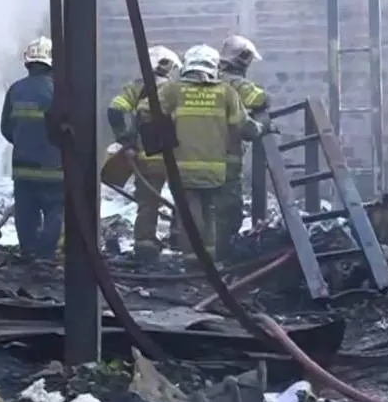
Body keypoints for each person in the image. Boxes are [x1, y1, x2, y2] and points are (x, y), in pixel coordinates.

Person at [155, 44, 258, 258]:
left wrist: (162, 134)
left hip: (182, 167)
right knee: (210, 212)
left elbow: (146, 112)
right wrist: (262, 127)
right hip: (216, 169)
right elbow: (243, 127)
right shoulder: (226, 92)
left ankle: (193, 258)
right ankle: (209, 258)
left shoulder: (173, 90)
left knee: (189, 214)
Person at [107, 45, 181, 262]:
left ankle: (144, 245)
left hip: (145, 157)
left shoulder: (136, 87)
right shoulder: (176, 89)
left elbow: (115, 109)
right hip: (175, 157)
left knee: (148, 203)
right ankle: (179, 239)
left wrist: (126, 140)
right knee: (185, 198)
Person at [1, 36, 63, 261]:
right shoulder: (58, 91)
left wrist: (24, 142)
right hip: (53, 167)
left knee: (26, 212)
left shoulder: (15, 90)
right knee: (55, 209)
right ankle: (46, 254)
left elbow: (6, 128)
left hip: (22, 167)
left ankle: (28, 251)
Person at [217, 34, 271, 258]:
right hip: (226, 156)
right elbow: (260, 99)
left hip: (197, 154)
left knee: (200, 206)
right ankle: (221, 255)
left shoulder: (210, 79)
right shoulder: (234, 83)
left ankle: (195, 251)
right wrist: (263, 120)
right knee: (229, 209)